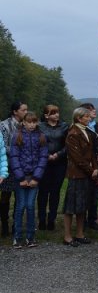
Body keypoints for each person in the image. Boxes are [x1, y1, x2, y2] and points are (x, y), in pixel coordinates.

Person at [9, 112, 48, 248]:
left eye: (34, 122)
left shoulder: (41, 137)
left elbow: (43, 159)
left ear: (37, 122)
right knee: (20, 206)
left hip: (34, 178)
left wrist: (36, 177)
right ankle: (17, 237)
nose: (32, 124)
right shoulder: (17, 136)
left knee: (31, 206)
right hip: (20, 178)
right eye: (29, 122)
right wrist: (20, 178)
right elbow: (14, 158)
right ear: (24, 122)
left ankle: (30, 237)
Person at [62, 107, 97, 248]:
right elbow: (77, 158)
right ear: (79, 118)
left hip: (86, 174)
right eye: (87, 117)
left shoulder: (87, 131)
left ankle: (80, 234)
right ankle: (67, 236)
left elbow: (91, 153)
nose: (90, 118)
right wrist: (90, 170)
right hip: (76, 174)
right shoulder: (73, 133)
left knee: (83, 205)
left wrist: (94, 168)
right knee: (70, 206)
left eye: (89, 116)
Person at [38, 104, 69, 231]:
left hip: (59, 163)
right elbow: (36, 144)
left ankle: (52, 219)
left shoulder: (64, 126)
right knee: (43, 192)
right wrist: (46, 155)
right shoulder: (39, 127)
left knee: (55, 192)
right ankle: (41, 219)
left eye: (57, 112)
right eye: (53, 113)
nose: (57, 115)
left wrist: (58, 154)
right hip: (43, 163)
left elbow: (68, 145)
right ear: (46, 115)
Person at [0, 101, 28, 237]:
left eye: (26, 110)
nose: (26, 112)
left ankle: (16, 225)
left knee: (20, 196)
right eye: (23, 110)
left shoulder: (27, 125)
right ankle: (4, 224)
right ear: (15, 111)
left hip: (22, 167)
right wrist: (19, 151)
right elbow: (3, 146)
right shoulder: (4, 125)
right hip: (9, 165)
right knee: (5, 196)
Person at [80, 103, 98, 231]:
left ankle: (92, 220)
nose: (94, 111)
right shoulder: (80, 128)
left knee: (94, 195)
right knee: (84, 194)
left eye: (93, 108)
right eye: (91, 110)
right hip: (85, 167)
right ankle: (82, 221)